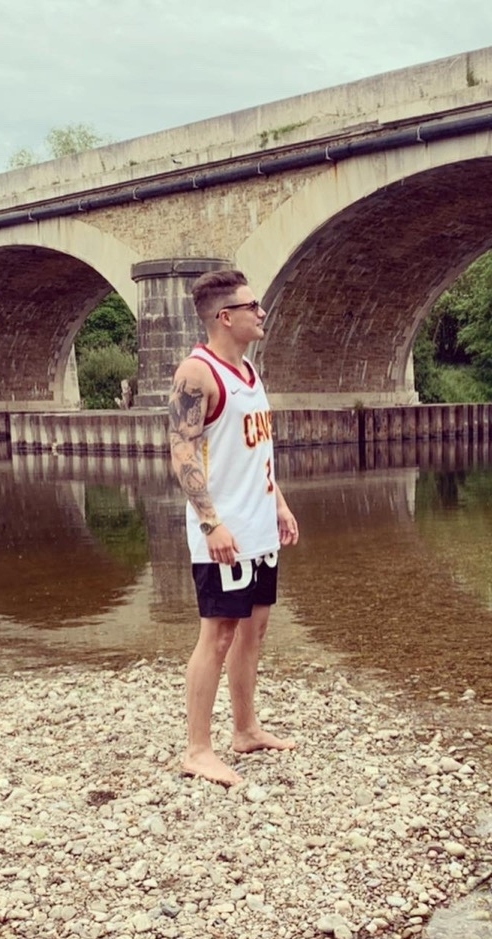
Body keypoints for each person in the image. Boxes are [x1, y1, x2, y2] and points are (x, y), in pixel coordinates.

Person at [168, 269, 299, 786]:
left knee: (255, 629)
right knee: (218, 633)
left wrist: (279, 504)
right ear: (225, 317)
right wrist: (210, 523)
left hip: (259, 527)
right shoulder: (196, 374)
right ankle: (197, 750)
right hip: (222, 533)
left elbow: (255, 450)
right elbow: (182, 454)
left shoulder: (248, 369)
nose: (261, 313)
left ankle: (245, 730)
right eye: (252, 306)